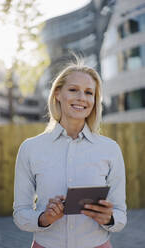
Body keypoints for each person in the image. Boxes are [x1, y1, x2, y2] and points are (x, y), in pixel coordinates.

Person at [13, 60, 127, 248]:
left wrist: (109, 218)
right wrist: (44, 218)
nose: (82, 97)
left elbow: (121, 215)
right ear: (57, 93)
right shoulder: (30, 148)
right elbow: (20, 213)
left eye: (89, 92)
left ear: (94, 100)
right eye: (73, 89)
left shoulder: (110, 149)